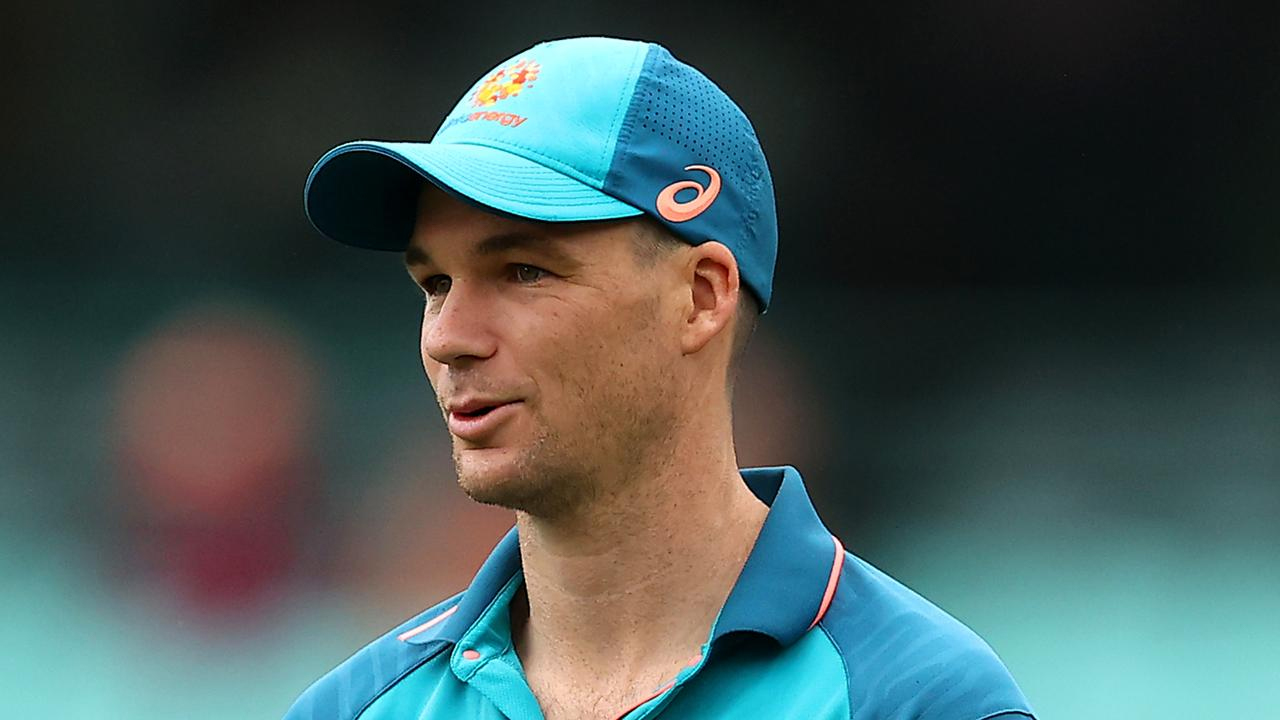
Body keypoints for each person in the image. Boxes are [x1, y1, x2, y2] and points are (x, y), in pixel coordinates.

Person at [288, 36, 1036, 720]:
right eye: (435, 284)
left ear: (702, 297)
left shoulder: (916, 700)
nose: (448, 339)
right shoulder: (353, 709)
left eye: (524, 271)